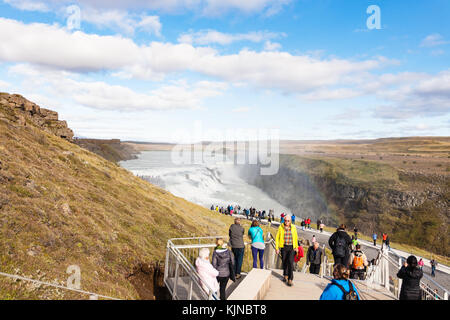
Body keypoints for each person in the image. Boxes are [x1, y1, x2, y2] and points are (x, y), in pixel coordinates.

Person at [275, 215, 298, 287]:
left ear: (290, 221)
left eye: (288, 221)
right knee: (284, 261)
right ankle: (285, 274)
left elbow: (296, 237)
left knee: (290, 262)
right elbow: (277, 237)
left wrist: (296, 247)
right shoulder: (280, 227)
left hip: (291, 247)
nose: (286, 222)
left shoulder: (293, 227)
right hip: (284, 247)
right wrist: (277, 248)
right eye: (285, 220)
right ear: (283, 220)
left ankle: (290, 279)